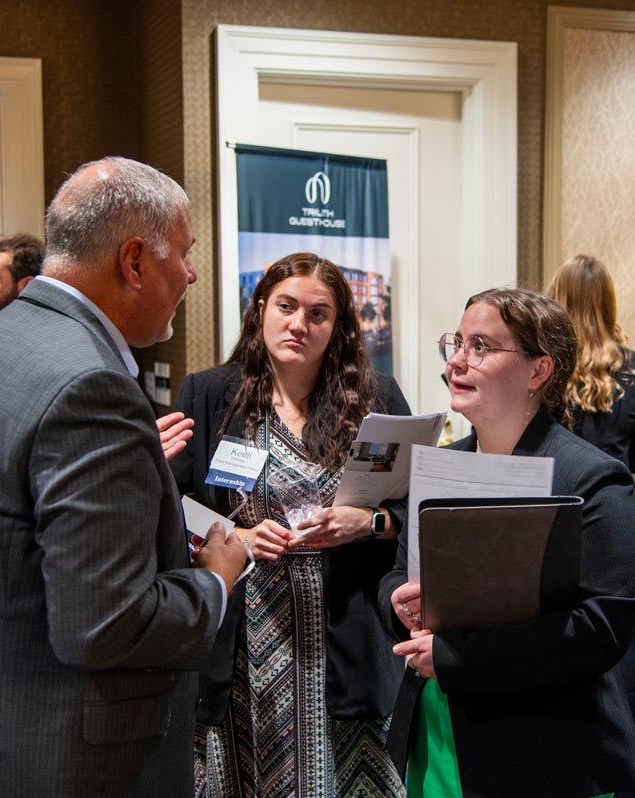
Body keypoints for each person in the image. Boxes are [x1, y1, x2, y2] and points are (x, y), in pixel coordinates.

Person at [0, 157, 249, 797]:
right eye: (183, 253)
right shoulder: (92, 386)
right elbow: (105, 624)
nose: (191, 272)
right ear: (133, 262)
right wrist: (214, 579)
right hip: (53, 754)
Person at [380, 287, 635, 798]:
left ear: (538, 371)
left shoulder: (591, 479)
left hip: (543, 747)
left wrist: (458, 657)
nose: (456, 360)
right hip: (438, 731)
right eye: (455, 343)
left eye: (479, 346)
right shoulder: (440, 464)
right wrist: (398, 602)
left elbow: (601, 629)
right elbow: (397, 575)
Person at [172, 253, 409, 798]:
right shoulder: (210, 396)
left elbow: (413, 509)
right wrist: (238, 538)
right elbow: (173, 504)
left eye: (319, 314)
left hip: (345, 640)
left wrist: (369, 522)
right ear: (260, 310)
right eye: (286, 306)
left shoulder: (375, 400)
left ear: (338, 327)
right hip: (241, 641)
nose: (300, 324)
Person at [546, 254, 635, 473]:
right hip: (614, 492)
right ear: (608, 304)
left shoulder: (544, 364)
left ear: (556, 299)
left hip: (557, 494)